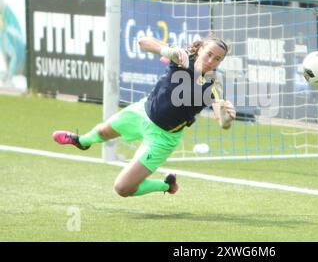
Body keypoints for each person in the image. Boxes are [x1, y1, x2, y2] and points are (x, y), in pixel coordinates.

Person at [52, 34, 237, 197]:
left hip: (163, 137)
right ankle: (82, 141)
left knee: (122, 188)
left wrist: (227, 116)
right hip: (142, 111)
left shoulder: (213, 85)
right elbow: (142, 41)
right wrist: (166, 50)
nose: (211, 61)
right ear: (201, 49)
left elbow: (223, 123)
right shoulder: (183, 56)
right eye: (209, 54)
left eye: (217, 59)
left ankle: (166, 185)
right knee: (103, 131)